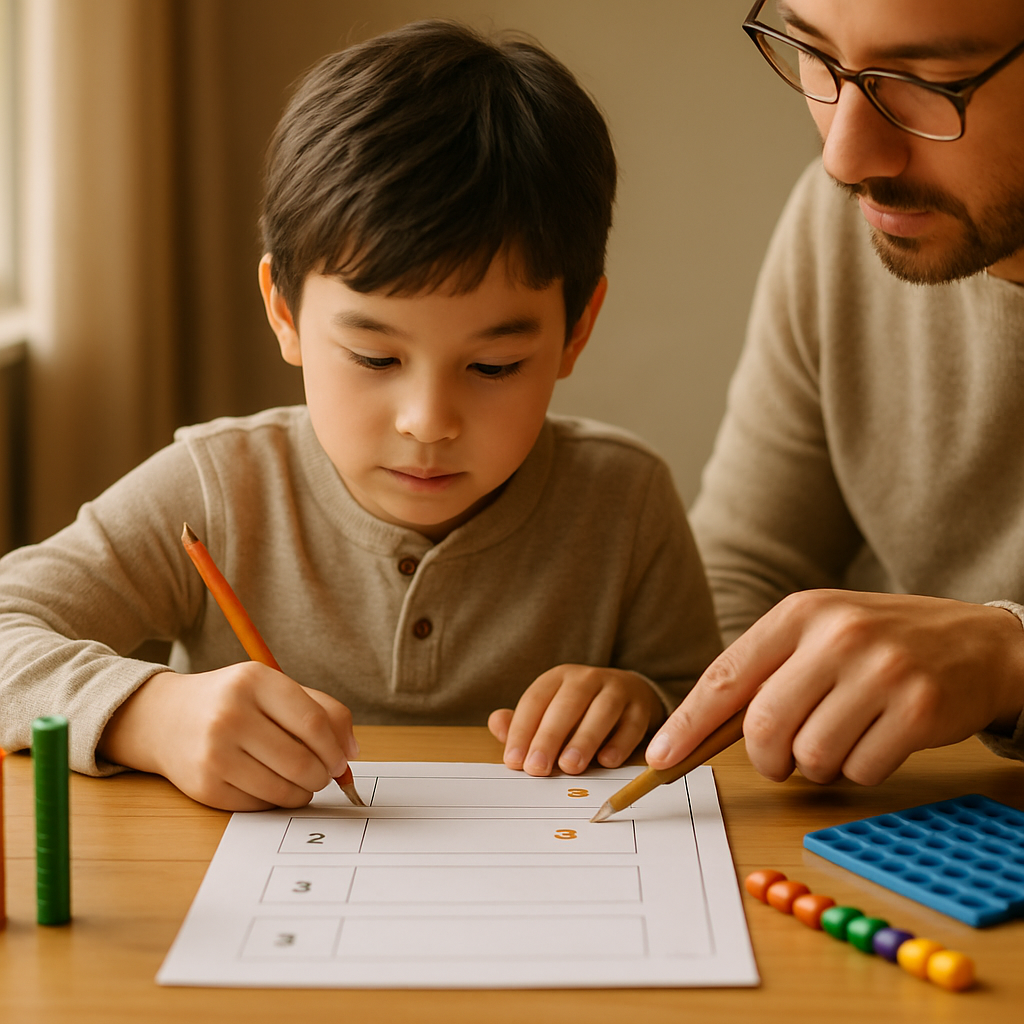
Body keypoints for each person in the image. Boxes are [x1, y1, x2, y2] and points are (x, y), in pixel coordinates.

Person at [0, 21, 720, 810]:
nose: (427, 420)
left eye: (493, 367)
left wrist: (640, 703)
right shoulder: (215, 489)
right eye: (376, 359)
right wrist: (151, 714)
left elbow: (709, 713)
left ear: (575, 331)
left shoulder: (627, 503)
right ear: (284, 311)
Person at [647, 0, 1024, 786]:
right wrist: (640, 683)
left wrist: (1008, 658)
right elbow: (745, 572)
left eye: (926, 80)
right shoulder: (843, 226)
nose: (844, 157)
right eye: (815, 55)